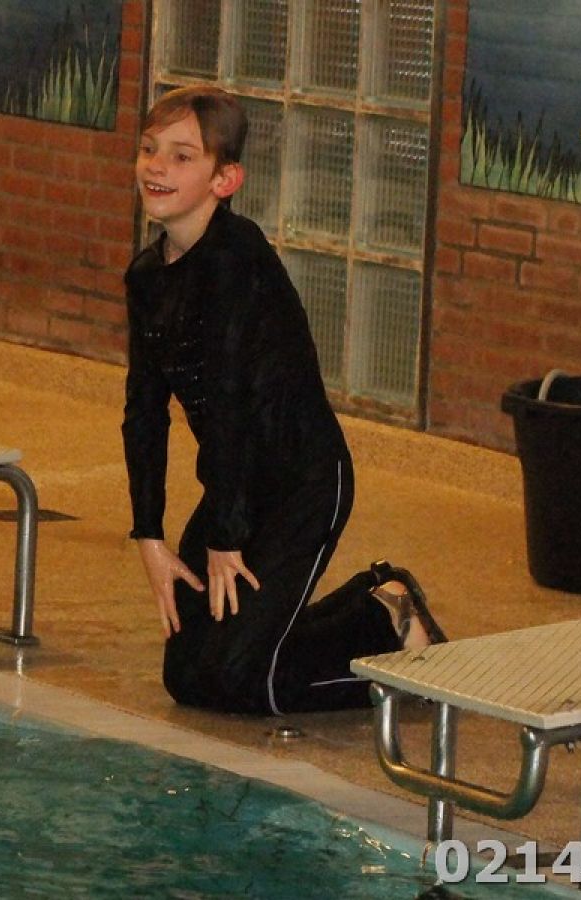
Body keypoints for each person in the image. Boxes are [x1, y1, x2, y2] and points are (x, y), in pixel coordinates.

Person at [121, 85, 445, 716]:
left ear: (225, 179)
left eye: (182, 156)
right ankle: (374, 610)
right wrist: (150, 535)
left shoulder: (237, 259)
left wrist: (226, 536)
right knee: (188, 676)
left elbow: (234, 402)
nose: (157, 166)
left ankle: (392, 637)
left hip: (303, 483)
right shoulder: (147, 276)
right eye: (149, 149)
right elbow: (144, 410)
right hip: (236, 482)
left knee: (248, 681)